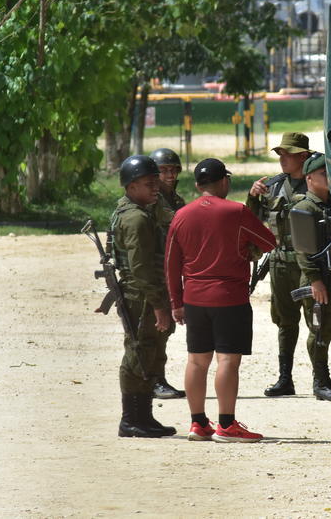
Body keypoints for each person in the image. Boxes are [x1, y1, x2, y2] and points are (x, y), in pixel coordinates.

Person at [165, 158, 276, 442]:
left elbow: (171, 263)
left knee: (196, 361)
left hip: (194, 298)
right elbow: (269, 242)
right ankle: (226, 424)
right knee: (227, 359)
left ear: (198, 184)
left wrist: (176, 302)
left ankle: (198, 423)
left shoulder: (181, 215)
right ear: (224, 181)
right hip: (229, 298)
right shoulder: (236, 211)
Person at [110, 155, 176, 438]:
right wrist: (160, 305)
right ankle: (131, 419)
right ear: (132, 185)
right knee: (139, 353)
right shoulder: (136, 218)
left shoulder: (140, 209)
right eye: (150, 184)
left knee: (150, 352)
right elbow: (141, 268)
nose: (156, 188)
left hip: (146, 294)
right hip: (142, 297)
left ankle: (144, 416)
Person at [246, 132, 312, 397]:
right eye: (281, 154)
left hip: (309, 262)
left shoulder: (317, 183)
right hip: (281, 261)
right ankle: (285, 378)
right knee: (286, 322)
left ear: (303, 156)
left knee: (319, 320)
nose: (282, 159)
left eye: (288, 154)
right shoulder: (273, 187)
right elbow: (251, 222)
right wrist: (252, 197)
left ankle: (323, 379)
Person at [291, 152, 331, 401]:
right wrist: (315, 280)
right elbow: (303, 249)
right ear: (309, 178)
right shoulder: (305, 208)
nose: (329, 178)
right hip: (320, 283)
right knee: (320, 333)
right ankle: (320, 381)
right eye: (325, 174)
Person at [146, 147, 187, 400]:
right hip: (155, 270)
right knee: (155, 329)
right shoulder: (152, 201)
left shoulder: (176, 200)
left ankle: (155, 379)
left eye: (173, 170)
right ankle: (153, 380)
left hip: (169, 271)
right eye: (164, 170)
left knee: (165, 328)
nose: (170, 175)